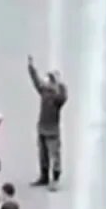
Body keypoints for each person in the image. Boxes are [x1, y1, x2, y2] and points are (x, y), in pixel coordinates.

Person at [27, 56, 68, 190]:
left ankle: (55, 179)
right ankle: (44, 177)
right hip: (42, 129)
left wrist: (60, 82)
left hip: (52, 131)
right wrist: (31, 68)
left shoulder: (57, 99)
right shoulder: (44, 92)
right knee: (43, 155)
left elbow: (64, 96)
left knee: (54, 156)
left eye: (47, 79)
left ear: (52, 82)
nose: (44, 81)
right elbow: (36, 81)